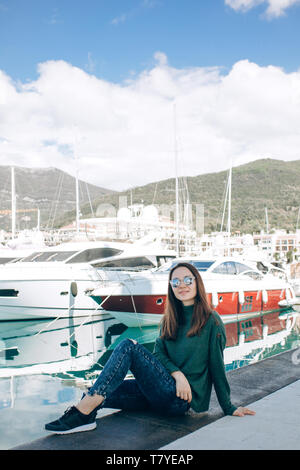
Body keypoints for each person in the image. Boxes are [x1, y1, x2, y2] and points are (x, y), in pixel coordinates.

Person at [45, 262, 255, 434]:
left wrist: (229, 407)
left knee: (129, 346)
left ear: (197, 283)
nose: (181, 285)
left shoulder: (211, 321)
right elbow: (158, 354)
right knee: (97, 391)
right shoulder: (168, 319)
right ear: (171, 287)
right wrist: (177, 373)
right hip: (159, 392)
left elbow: (217, 366)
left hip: (181, 400)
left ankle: (80, 415)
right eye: (176, 281)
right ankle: (86, 416)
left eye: (187, 280)